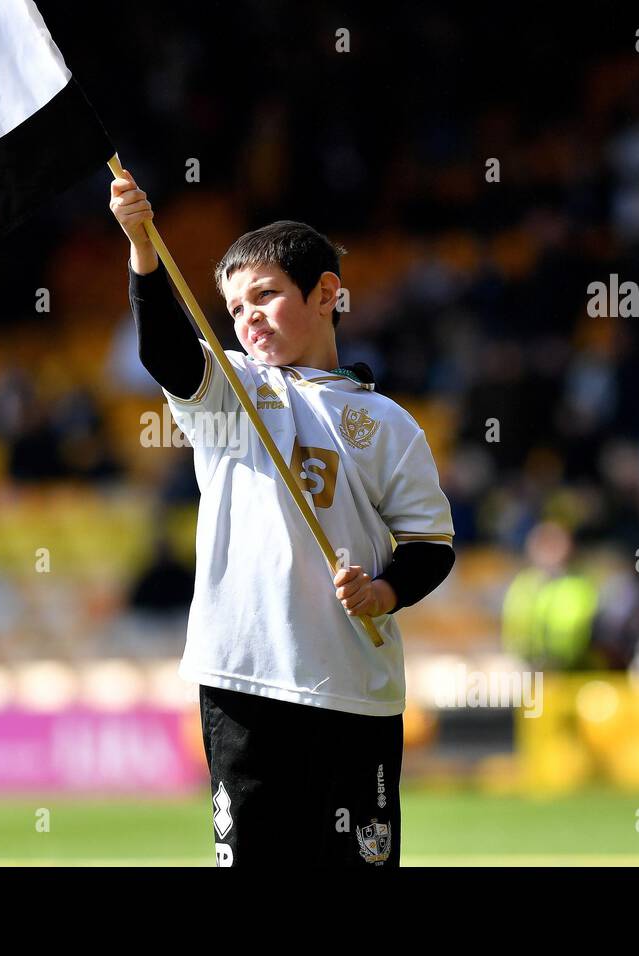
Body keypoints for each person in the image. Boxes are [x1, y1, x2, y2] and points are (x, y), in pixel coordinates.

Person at [109, 170, 456, 867]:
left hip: (353, 690)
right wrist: (141, 248)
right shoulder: (231, 391)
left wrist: (383, 592)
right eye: (235, 308)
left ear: (326, 293)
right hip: (242, 682)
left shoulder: (388, 424)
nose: (248, 318)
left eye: (265, 294)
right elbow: (167, 353)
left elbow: (430, 545)